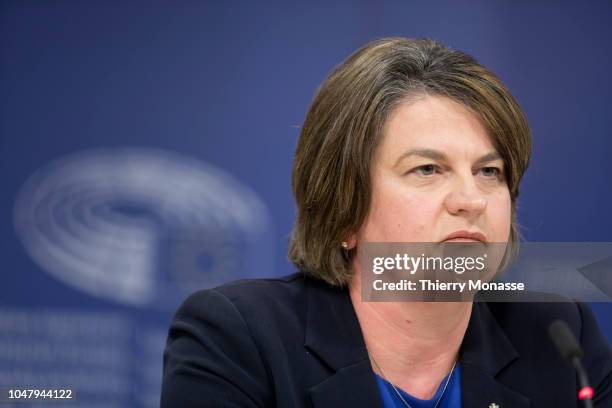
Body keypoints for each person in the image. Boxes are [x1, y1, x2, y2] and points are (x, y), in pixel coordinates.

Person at [160, 38, 612, 407]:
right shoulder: (240, 338)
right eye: (427, 170)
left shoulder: (558, 335)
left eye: (488, 172)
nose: (471, 200)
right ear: (344, 209)